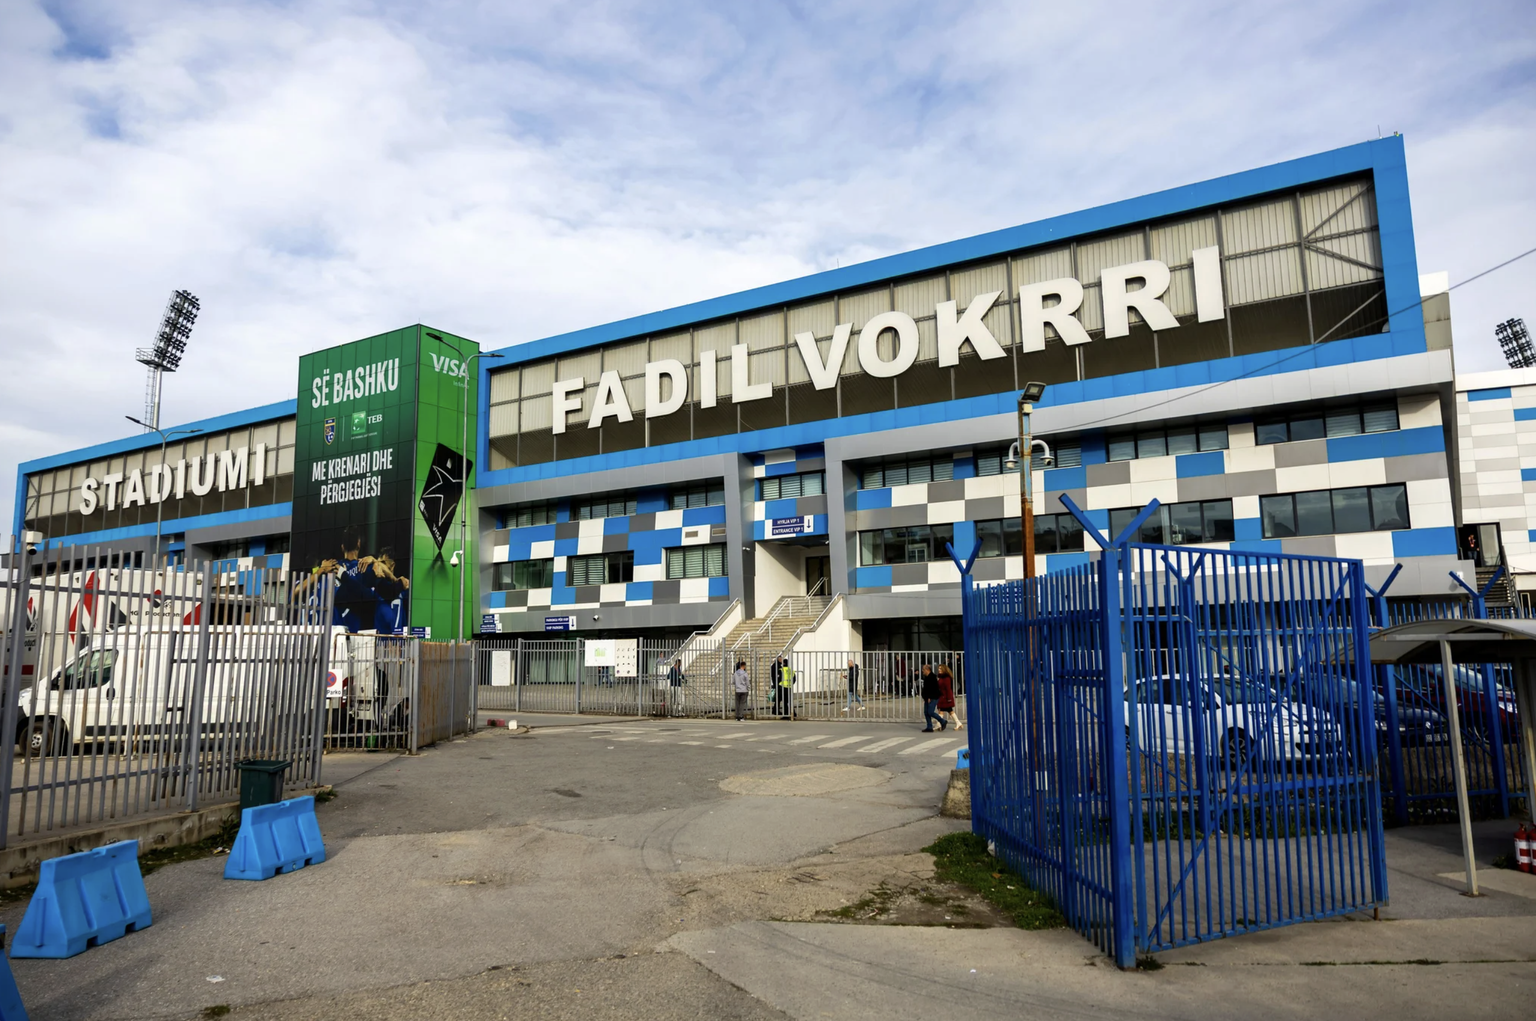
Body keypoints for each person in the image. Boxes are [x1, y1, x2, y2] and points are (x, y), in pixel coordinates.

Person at [920, 663, 946, 732]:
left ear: (927, 670)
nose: (922, 671)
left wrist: (929, 697)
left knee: (930, 712)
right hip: (927, 697)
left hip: (932, 697)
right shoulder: (927, 677)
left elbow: (933, 689)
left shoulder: (932, 677)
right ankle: (929, 726)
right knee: (926, 712)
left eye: (923, 670)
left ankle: (942, 721)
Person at [936, 664, 961, 730]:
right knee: (949, 710)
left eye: (940, 669)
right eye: (939, 668)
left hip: (945, 697)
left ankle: (938, 725)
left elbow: (948, 689)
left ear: (944, 670)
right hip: (942, 696)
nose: (939, 670)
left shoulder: (946, 678)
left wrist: (949, 698)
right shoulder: (940, 677)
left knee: (941, 710)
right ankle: (958, 723)